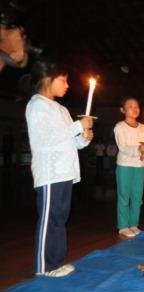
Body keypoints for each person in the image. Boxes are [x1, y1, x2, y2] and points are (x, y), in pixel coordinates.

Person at [24, 60, 94, 277]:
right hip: (49, 172)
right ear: (48, 79)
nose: (67, 85)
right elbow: (45, 139)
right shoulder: (36, 106)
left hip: (65, 171)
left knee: (60, 218)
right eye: (63, 80)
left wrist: (84, 138)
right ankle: (44, 267)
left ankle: (57, 261)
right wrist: (77, 126)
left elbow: (70, 141)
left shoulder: (62, 109)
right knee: (49, 219)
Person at [114, 97, 144, 239]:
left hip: (140, 166)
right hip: (125, 166)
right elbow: (123, 147)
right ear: (122, 110)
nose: (134, 108)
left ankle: (134, 224)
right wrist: (138, 149)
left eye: (136, 106)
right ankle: (123, 226)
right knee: (124, 196)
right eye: (130, 106)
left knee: (137, 196)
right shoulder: (119, 127)